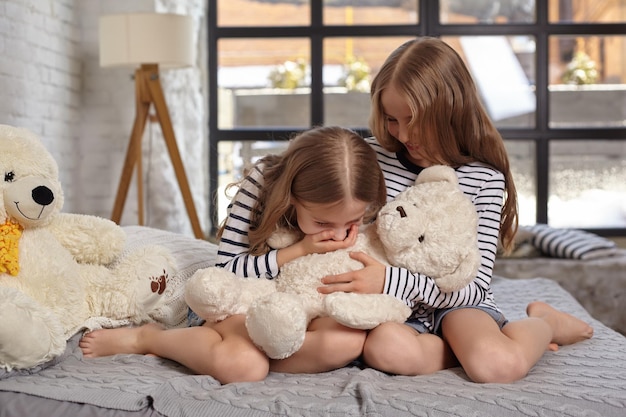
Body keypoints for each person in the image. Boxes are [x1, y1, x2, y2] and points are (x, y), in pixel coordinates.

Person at [317, 37, 594, 383]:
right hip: (387, 306)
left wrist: (391, 281)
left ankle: (545, 323)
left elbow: (474, 287)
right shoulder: (370, 158)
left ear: (451, 110)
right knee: (384, 351)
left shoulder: (484, 179)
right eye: (391, 119)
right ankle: (457, 348)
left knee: (495, 367)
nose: (403, 134)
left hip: (455, 301)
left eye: (414, 119)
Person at [80, 126, 386, 384]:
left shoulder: (362, 198)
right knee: (246, 367)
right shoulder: (262, 184)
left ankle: (262, 350)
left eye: (352, 222)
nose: (338, 232)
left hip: (306, 310)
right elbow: (227, 268)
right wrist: (300, 250)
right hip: (244, 302)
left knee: (347, 340)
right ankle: (149, 339)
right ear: (292, 197)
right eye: (322, 222)